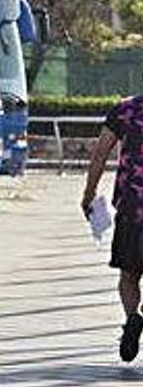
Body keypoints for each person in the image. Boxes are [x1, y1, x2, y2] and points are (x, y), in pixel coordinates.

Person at [82, 96, 143, 362]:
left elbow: (100, 153)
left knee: (129, 274)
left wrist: (89, 193)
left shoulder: (126, 109)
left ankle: (132, 318)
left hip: (132, 208)